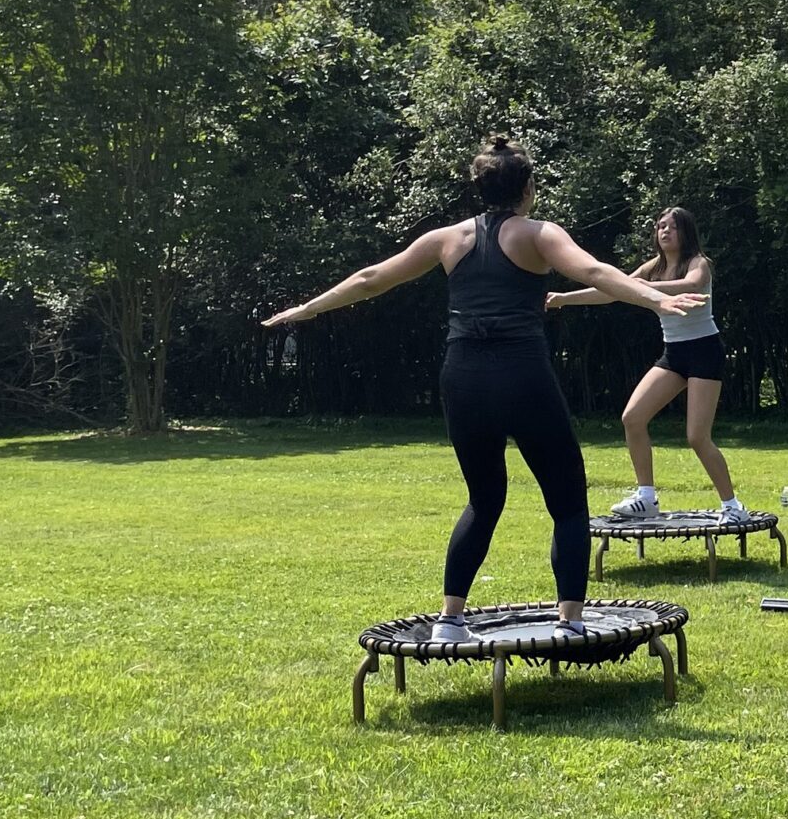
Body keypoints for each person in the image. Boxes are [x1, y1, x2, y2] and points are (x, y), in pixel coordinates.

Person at [262, 137, 700, 643]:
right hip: (522, 375)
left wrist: (306, 310)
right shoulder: (539, 233)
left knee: (484, 498)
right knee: (567, 502)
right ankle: (571, 621)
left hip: (464, 377)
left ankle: (450, 620)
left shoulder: (446, 239)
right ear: (528, 187)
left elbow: (370, 278)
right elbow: (596, 271)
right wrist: (654, 301)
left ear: (479, 187)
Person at [548, 205, 748, 523]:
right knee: (632, 417)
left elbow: (691, 285)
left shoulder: (698, 263)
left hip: (704, 351)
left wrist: (640, 289)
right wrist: (563, 298)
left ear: (685, 232)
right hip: (674, 354)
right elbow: (610, 292)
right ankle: (646, 497)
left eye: (671, 226)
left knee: (697, 436)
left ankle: (733, 508)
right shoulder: (653, 267)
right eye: (660, 227)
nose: (664, 231)